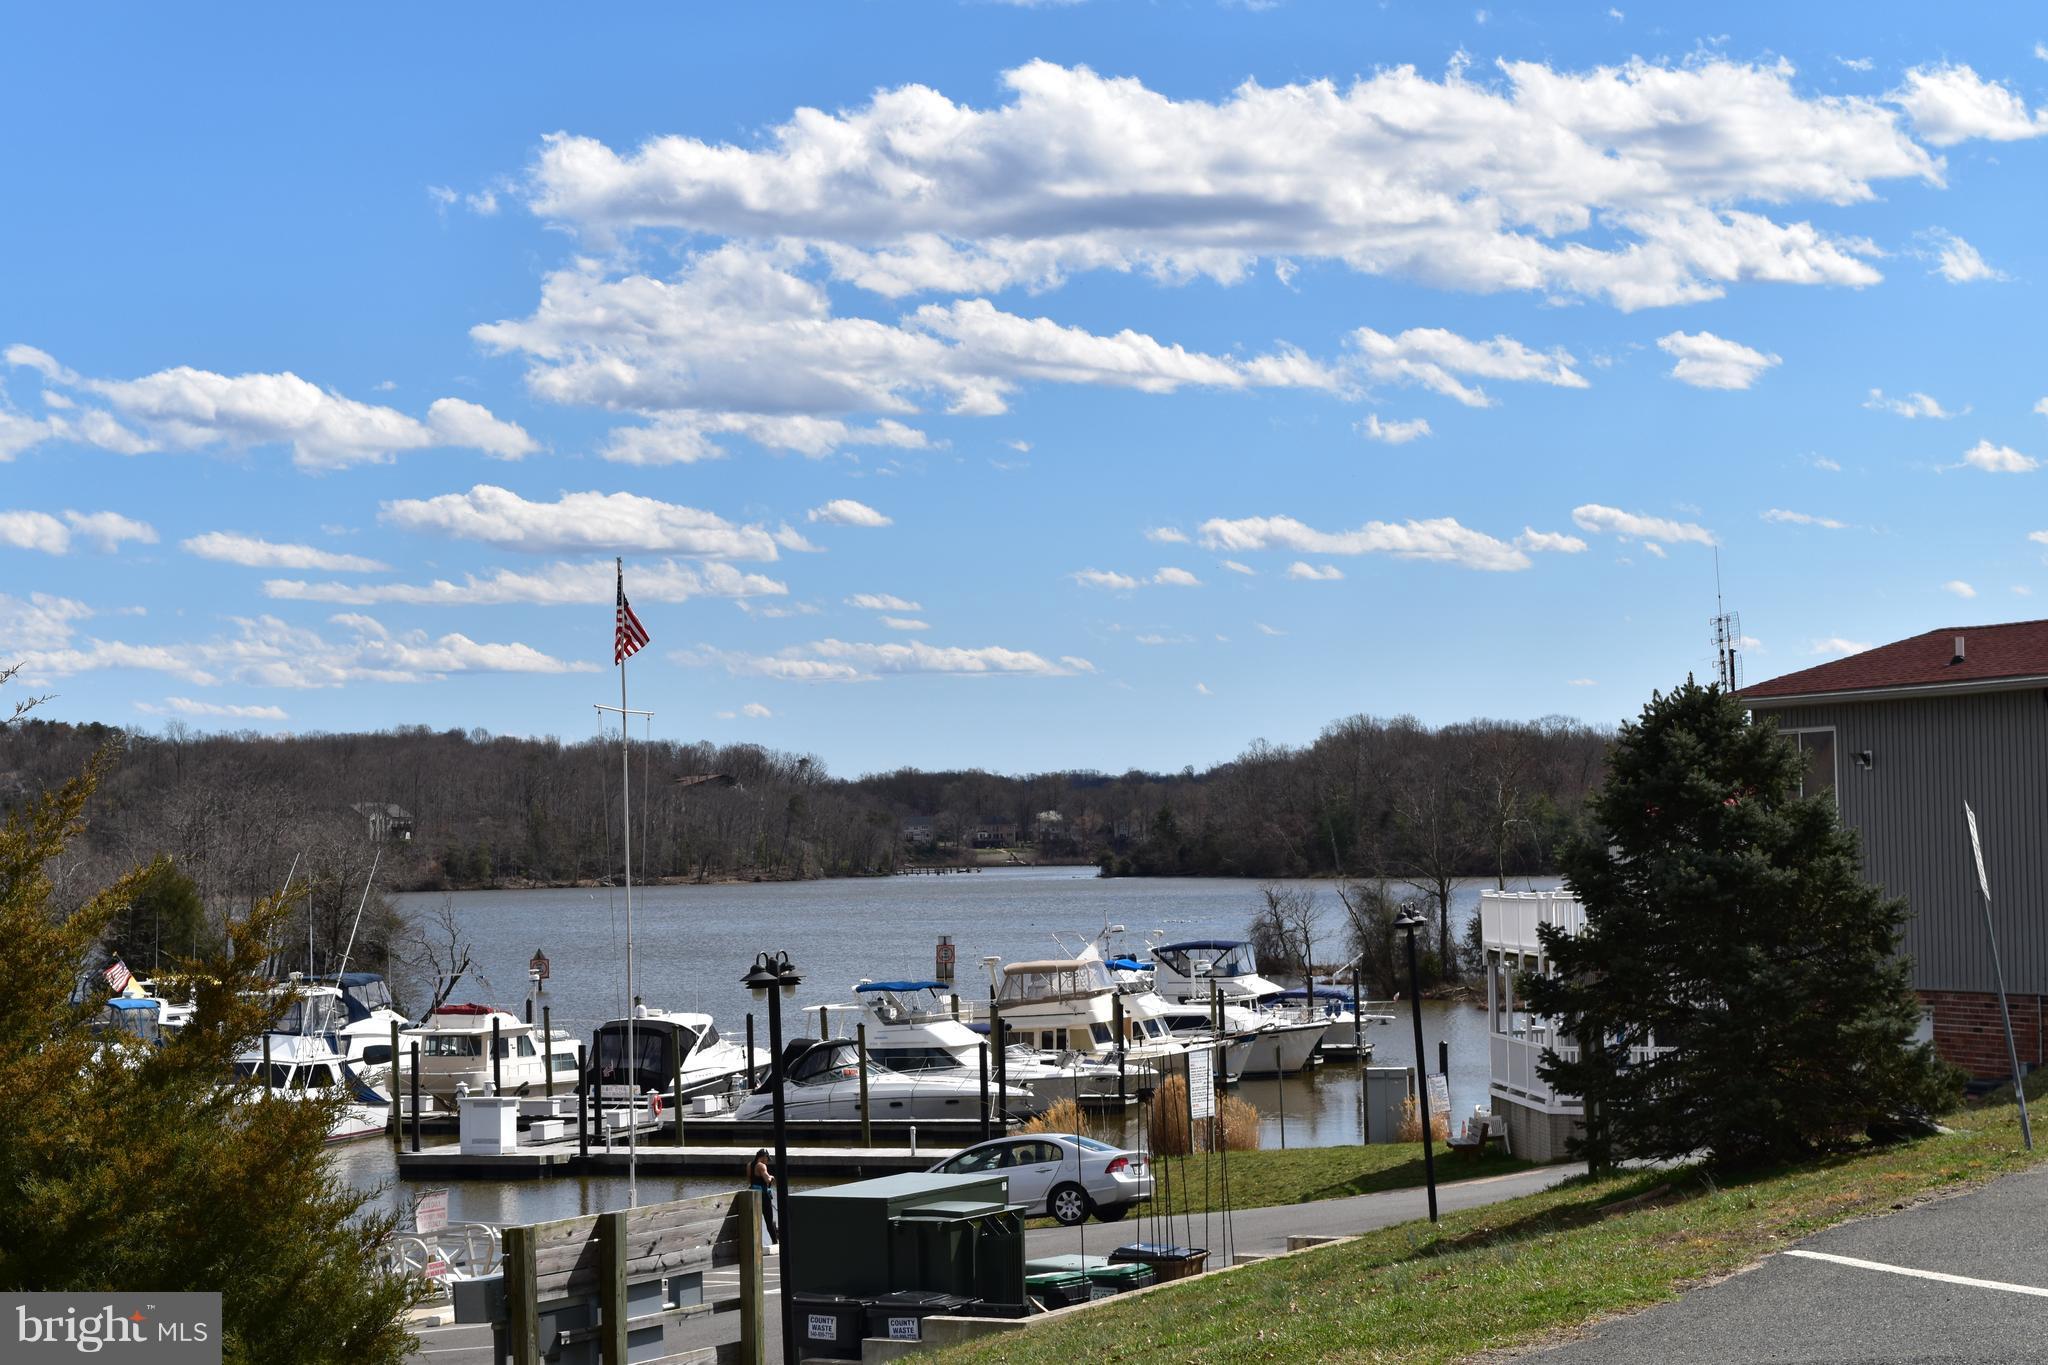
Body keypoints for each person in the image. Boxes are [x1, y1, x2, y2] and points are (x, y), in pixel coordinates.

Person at [748, 1148, 779, 1250]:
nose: (767, 1161)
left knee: (755, 1220)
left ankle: (754, 1245)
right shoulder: (761, 1166)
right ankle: (775, 1243)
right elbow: (767, 1179)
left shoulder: (749, 1165)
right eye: (767, 1158)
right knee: (769, 1221)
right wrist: (772, 1177)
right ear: (763, 1157)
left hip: (753, 1194)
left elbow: (750, 1180)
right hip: (763, 1196)